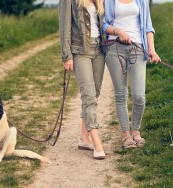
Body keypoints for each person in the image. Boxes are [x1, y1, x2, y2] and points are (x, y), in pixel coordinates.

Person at [103, 0, 161, 148]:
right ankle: (126, 134)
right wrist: (119, 32)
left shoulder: (141, 1)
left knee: (139, 96)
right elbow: (103, 24)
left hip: (137, 47)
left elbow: (148, 26)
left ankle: (136, 131)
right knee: (121, 94)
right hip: (114, 47)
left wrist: (151, 50)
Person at [58, 0, 105, 159]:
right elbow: (64, 28)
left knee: (95, 93)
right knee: (88, 96)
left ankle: (84, 139)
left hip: (99, 49)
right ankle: (96, 142)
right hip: (80, 51)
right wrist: (67, 56)